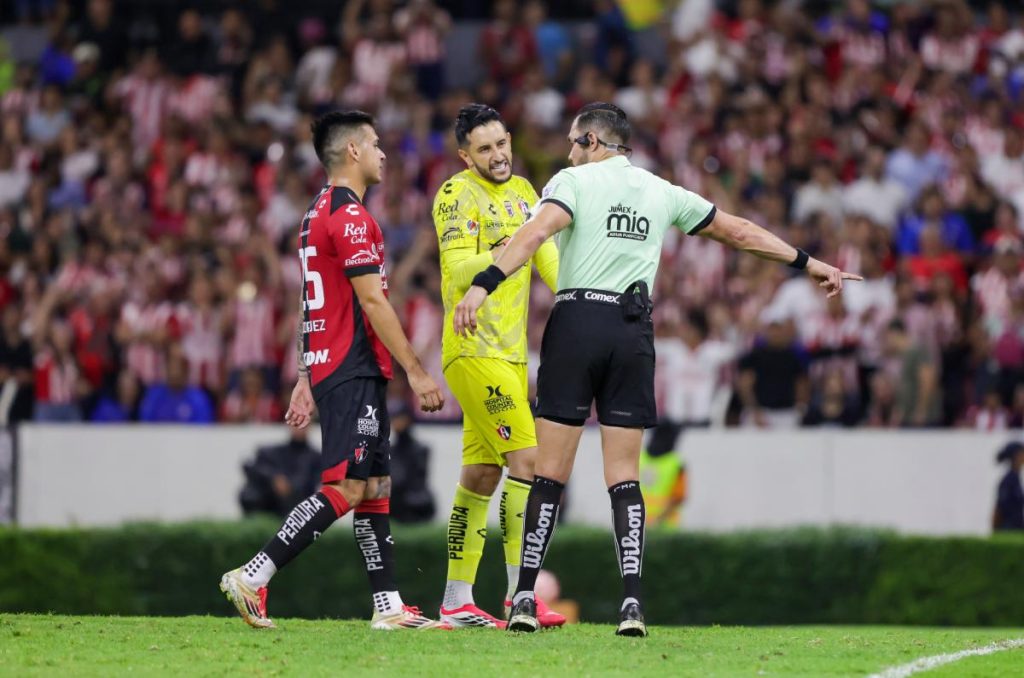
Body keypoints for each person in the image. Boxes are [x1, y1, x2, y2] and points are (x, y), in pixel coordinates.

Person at [454, 103, 859, 637]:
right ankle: (632, 606)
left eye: (577, 141)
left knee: (550, 473)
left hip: (577, 323)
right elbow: (737, 231)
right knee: (624, 478)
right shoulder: (661, 191)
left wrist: (483, 282)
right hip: (632, 331)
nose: (570, 151)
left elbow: (532, 236)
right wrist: (810, 264)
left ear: (596, 141)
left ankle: (524, 597)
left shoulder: (572, 182)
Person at [219, 110, 446, 631]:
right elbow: (371, 299)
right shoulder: (349, 217)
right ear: (353, 153)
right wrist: (417, 371)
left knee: (377, 484)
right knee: (345, 486)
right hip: (353, 363)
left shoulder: (313, 214)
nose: (384, 153)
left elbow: (312, 302)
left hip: (333, 362)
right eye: (375, 144)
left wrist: (303, 375)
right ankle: (255, 575)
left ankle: (388, 606)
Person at [431, 104, 563, 629]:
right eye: (483, 149)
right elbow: (456, 267)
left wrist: (581, 294)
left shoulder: (528, 192)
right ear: (466, 156)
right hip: (471, 349)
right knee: (527, 461)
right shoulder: (455, 194)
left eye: (501, 143)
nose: (497, 155)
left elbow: (547, 261)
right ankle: (519, 595)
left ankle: (456, 600)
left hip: (510, 355)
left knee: (483, 474)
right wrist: (504, 250)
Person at [238, 428, 320, 518]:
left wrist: (289, 485)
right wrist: (274, 478)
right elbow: (250, 466)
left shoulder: (314, 457)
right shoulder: (274, 452)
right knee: (250, 494)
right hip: (270, 498)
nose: (299, 428)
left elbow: (309, 482)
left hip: (297, 502)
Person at [992, 441, 1024, 531]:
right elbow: (999, 508)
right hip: (1008, 528)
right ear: (1016, 456)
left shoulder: (1016, 478)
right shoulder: (1009, 480)